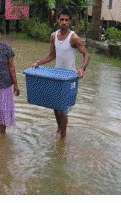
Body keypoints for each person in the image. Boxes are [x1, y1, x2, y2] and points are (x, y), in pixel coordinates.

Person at [31, 9, 90, 139]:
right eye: (61, 19)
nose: (63, 22)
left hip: (68, 79)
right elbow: (52, 55)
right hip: (56, 77)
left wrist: (82, 68)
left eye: (66, 20)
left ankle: (63, 138)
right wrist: (38, 63)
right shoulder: (54, 36)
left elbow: (86, 55)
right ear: (57, 20)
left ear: (70, 22)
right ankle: (59, 130)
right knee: (55, 106)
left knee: (63, 109)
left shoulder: (73, 38)